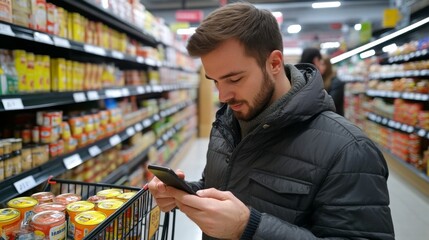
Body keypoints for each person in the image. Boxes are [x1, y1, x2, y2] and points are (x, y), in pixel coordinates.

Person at [148, 2, 394, 240]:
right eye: (215, 81)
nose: (222, 96)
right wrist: (186, 192)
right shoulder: (226, 124)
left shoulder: (350, 150)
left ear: (274, 63)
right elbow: (226, 184)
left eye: (234, 79)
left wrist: (248, 228)